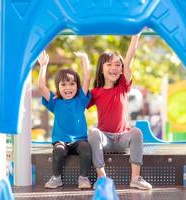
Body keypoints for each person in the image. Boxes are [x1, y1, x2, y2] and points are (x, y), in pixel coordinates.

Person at [87, 35, 152, 190]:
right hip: (105, 139)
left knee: (136, 132)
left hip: (122, 138)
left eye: (118, 64)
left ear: (122, 69)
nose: (114, 68)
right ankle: (101, 177)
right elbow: (77, 106)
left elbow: (129, 59)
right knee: (93, 132)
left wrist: (136, 37)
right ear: (101, 69)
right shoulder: (95, 92)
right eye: (109, 64)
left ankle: (135, 178)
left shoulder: (123, 86)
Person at [38, 51, 92, 189]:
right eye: (63, 85)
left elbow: (87, 77)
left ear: (77, 87)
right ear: (58, 88)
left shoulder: (80, 99)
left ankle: (83, 178)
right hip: (62, 141)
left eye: (72, 84)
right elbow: (41, 87)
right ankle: (56, 178)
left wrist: (85, 58)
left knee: (86, 148)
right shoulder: (55, 102)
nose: (68, 88)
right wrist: (43, 66)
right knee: (58, 150)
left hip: (79, 141)